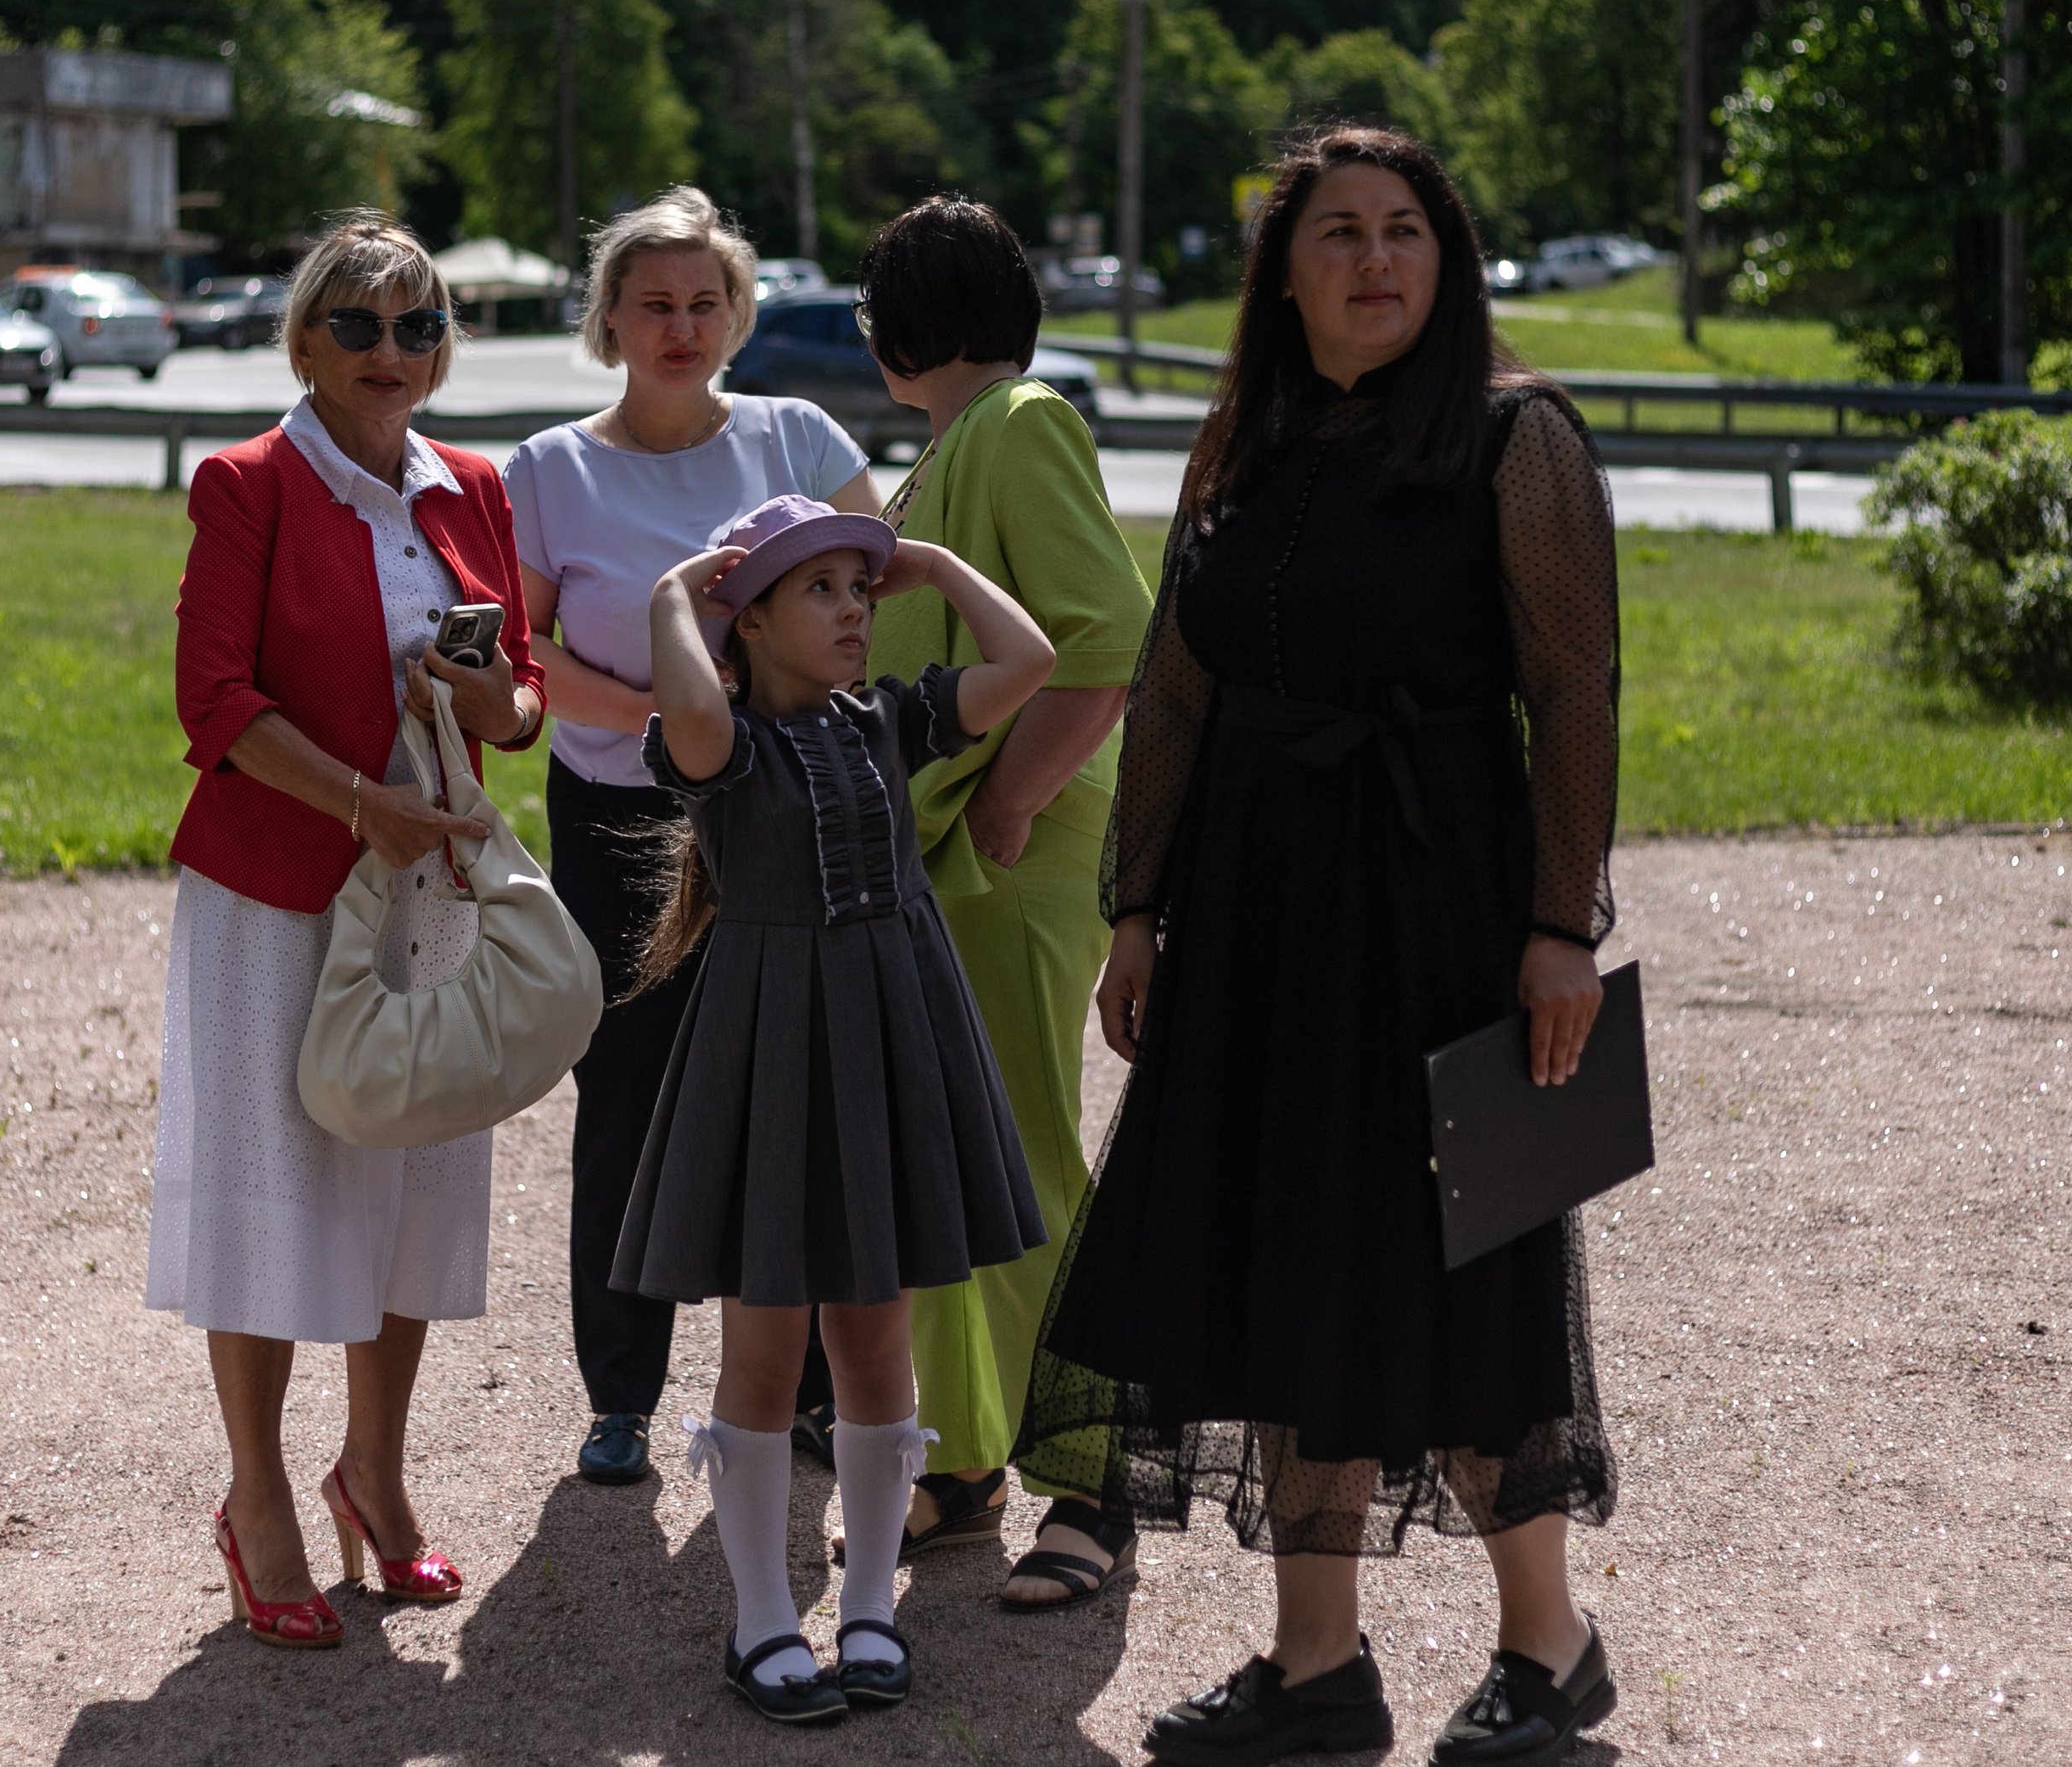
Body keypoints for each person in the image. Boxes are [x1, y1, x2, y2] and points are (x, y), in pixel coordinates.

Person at [1014, 126, 1622, 1767]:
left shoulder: (1515, 437)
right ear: (1284, 271)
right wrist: (1136, 907)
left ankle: (1549, 1647)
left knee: (1468, 1262)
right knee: (1287, 1259)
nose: (1374, 258)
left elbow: (1573, 693)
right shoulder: (1246, 439)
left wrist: (1560, 927)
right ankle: (1316, 1666)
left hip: (1441, 910)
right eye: (1339, 231)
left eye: (1405, 229)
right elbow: (1174, 687)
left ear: (1449, 259)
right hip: (1257, 918)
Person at [146, 214, 546, 1648]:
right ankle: (257, 1494)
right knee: (272, 1175)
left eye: (419, 325)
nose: (393, 350)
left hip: (428, 889)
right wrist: (358, 802)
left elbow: (520, 696)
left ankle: (373, 1471)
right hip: (277, 887)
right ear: (304, 342)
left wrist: (497, 701)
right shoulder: (247, 481)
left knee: (416, 1175)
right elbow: (214, 700)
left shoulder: (474, 488)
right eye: (361, 324)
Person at [615, 495, 1054, 1722]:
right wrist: (674, 594)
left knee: (873, 1341)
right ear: (748, 621)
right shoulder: (726, 747)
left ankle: (868, 1607)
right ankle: (761, 1616)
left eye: (863, 588)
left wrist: (940, 565)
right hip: (770, 1049)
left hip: (891, 1037)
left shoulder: (887, 719)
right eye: (822, 589)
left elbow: (1031, 661)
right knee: (764, 1348)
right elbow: (692, 707)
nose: (858, 609)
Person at [502, 187, 879, 1488]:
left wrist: (746, 725)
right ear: (607, 317)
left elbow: (868, 603)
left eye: (704, 302)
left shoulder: (800, 436)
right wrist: (673, 714)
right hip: (618, 812)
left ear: (737, 314)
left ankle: (811, 1392)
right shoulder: (549, 469)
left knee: (798, 1090)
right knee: (626, 1096)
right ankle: (621, 1393)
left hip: (783, 806)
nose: (680, 325)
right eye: (654, 303)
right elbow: (525, 651)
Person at [850, 198, 1154, 1606]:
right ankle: (966, 1460)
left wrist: (1012, 803)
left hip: (1010, 855)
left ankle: (1097, 1478)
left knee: (1022, 1161)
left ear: (905, 326)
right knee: (944, 1169)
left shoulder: (1021, 421)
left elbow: (1107, 640)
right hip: (950, 860)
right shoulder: (951, 445)